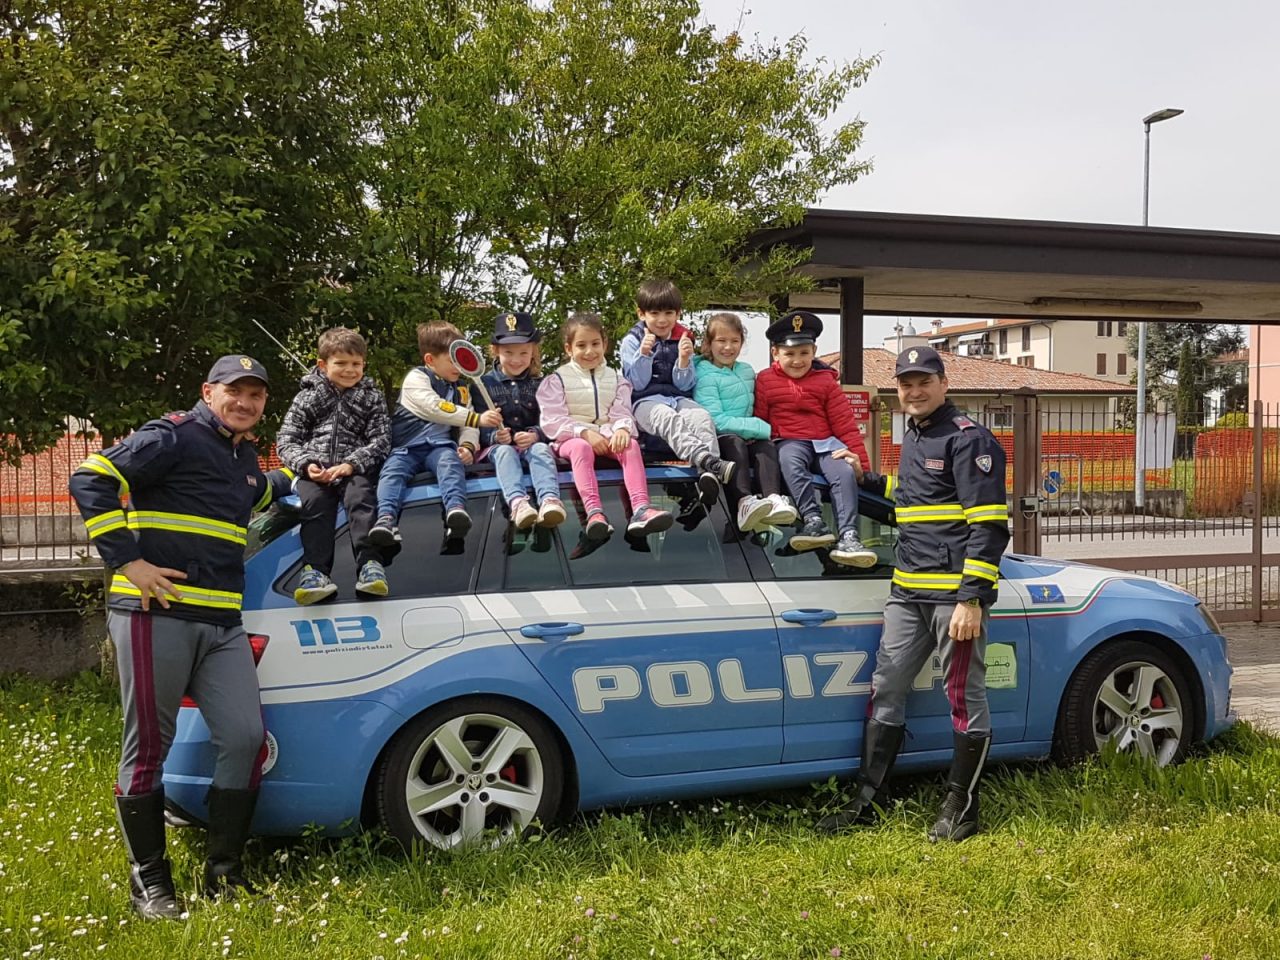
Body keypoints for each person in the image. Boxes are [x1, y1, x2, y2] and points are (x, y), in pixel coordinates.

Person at [67, 355, 296, 918]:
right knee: (149, 749)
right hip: (156, 615)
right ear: (208, 391)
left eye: (256, 395)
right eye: (234, 391)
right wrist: (129, 563)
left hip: (222, 625)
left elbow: (268, 494)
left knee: (245, 740)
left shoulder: (244, 458)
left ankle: (224, 873)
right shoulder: (174, 436)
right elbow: (90, 478)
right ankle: (148, 883)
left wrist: (313, 472)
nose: (245, 402)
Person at [816, 345, 1010, 842]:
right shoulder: (917, 437)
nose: (914, 391)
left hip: (952, 600)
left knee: (964, 698)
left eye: (924, 381)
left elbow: (989, 526)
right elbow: (913, 508)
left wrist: (972, 599)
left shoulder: (969, 441)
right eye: (906, 383)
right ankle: (868, 800)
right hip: (907, 592)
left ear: (944, 384)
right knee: (886, 689)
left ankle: (961, 809)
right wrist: (865, 480)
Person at [275, 327, 393, 603]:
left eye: (356, 364)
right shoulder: (308, 396)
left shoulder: (371, 396)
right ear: (322, 364)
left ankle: (370, 566)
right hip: (316, 474)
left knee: (360, 498)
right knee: (314, 506)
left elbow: (382, 440)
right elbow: (286, 440)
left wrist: (352, 464)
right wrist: (306, 466)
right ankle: (315, 571)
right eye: (341, 363)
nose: (349, 370)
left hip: (355, 471)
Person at [753, 310, 877, 567]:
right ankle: (813, 520)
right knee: (789, 459)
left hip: (825, 443)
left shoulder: (827, 382)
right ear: (775, 353)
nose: (797, 360)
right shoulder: (765, 380)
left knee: (843, 471)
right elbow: (760, 421)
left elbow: (845, 426)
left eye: (804, 353)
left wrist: (862, 469)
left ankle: (849, 537)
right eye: (789, 354)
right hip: (788, 440)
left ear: (814, 351)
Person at [538, 312, 673, 541]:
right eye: (581, 345)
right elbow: (552, 421)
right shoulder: (557, 380)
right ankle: (594, 513)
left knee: (630, 445)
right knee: (581, 448)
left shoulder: (616, 379)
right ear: (569, 349)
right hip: (570, 439)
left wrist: (621, 428)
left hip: (606, 435)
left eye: (595, 344)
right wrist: (585, 433)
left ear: (605, 344)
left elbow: (621, 411)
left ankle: (640, 508)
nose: (589, 351)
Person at [368, 321, 503, 547]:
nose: (458, 367)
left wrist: (468, 446)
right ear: (430, 360)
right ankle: (386, 518)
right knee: (392, 474)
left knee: (450, 464)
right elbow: (434, 407)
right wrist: (477, 419)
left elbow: (467, 427)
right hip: (406, 447)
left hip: (439, 447)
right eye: (452, 361)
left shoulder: (462, 389)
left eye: (460, 361)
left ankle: (456, 509)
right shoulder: (416, 378)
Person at [620, 278, 734, 507]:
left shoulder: (683, 338)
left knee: (700, 416)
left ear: (677, 313)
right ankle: (706, 460)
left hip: (677, 397)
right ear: (641, 314)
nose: (662, 320)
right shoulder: (631, 341)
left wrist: (683, 360)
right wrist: (644, 354)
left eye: (668, 313)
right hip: (645, 403)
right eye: (654, 313)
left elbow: (685, 385)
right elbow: (637, 384)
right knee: (666, 417)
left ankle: (708, 475)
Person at [692, 312, 797, 533]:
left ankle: (773, 499)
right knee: (735, 444)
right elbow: (715, 419)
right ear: (708, 343)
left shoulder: (747, 371)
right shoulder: (703, 373)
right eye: (721, 341)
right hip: (721, 437)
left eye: (734, 341)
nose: (728, 347)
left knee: (766, 447)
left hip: (748, 433)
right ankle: (744, 501)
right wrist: (761, 427)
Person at [474, 311, 566, 530]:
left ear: (533, 350)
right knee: (505, 452)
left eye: (523, 353)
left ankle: (549, 500)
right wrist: (494, 435)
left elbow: (550, 421)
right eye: (509, 353)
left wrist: (535, 433)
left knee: (541, 449)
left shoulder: (541, 384)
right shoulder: (481, 385)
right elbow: (474, 425)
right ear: (495, 351)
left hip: (530, 449)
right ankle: (518, 502)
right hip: (497, 450)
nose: (516, 360)